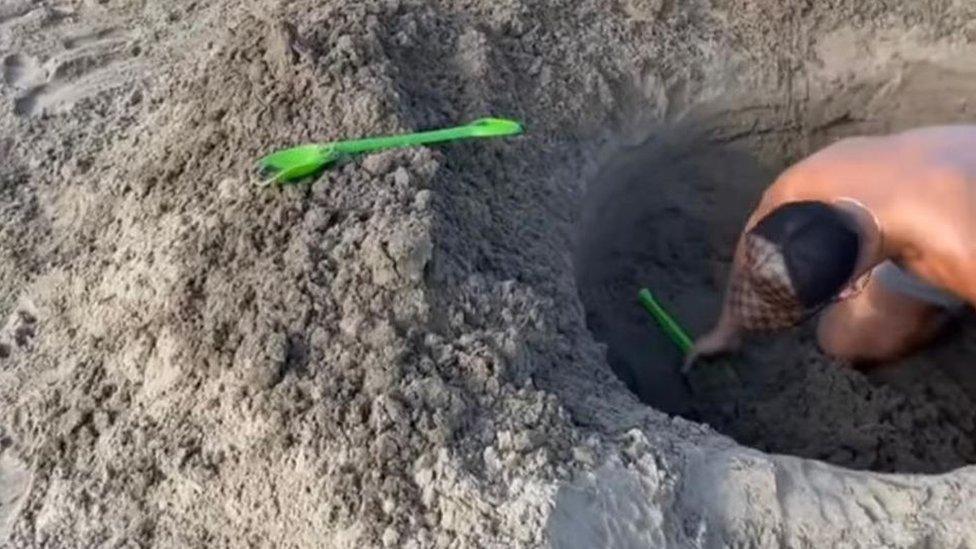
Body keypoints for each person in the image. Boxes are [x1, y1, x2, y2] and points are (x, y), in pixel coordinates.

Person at [687, 125, 976, 368]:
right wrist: (727, 330)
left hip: (959, 226)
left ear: (852, 287)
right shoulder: (800, 185)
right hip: (940, 183)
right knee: (841, 342)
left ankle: (947, 312)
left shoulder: (961, 256)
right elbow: (757, 243)